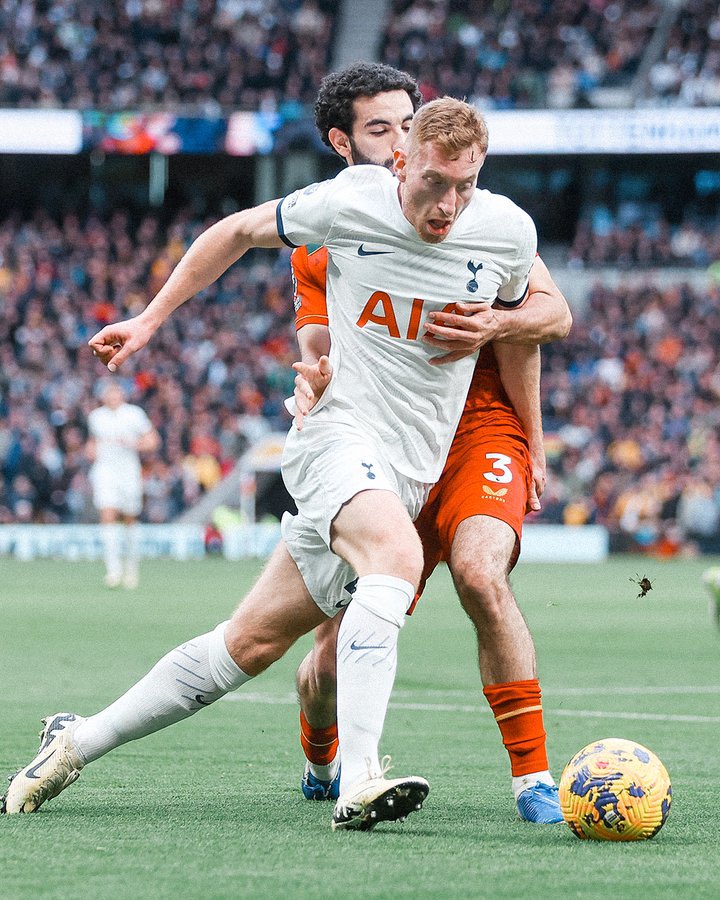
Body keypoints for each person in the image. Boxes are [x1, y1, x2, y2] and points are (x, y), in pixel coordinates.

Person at [3, 97, 536, 831]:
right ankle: (360, 776)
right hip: (335, 436)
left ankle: (75, 742)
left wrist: (524, 407)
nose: (448, 205)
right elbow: (237, 230)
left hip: (408, 469)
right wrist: (149, 319)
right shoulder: (351, 201)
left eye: (465, 186)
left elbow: (529, 331)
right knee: (396, 556)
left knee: (247, 645)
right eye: (434, 184)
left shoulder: (506, 232)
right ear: (401, 162)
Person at [291, 63, 571, 823]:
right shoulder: (324, 235)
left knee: (481, 574)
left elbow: (549, 314)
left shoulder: (474, 216)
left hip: (477, 430)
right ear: (343, 143)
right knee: (324, 661)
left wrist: (501, 337)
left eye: (405, 121)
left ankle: (534, 779)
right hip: (378, 444)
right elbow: (318, 349)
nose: (400, 136)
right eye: (381, 128)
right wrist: (312, 388)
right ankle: (324, 755)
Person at [86, 380, 160, 589]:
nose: (112, 396)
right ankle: (113, 570)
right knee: (107, 516)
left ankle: (131, 569)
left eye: (115, 392)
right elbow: (92, 443)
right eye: (108, 392)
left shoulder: (134, 414)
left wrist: (134, 444)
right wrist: (90, 450)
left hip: (128, 473)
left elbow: (153, 440)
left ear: (122, 394)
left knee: (129, 519)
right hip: (105, 472)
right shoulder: (96, 417)